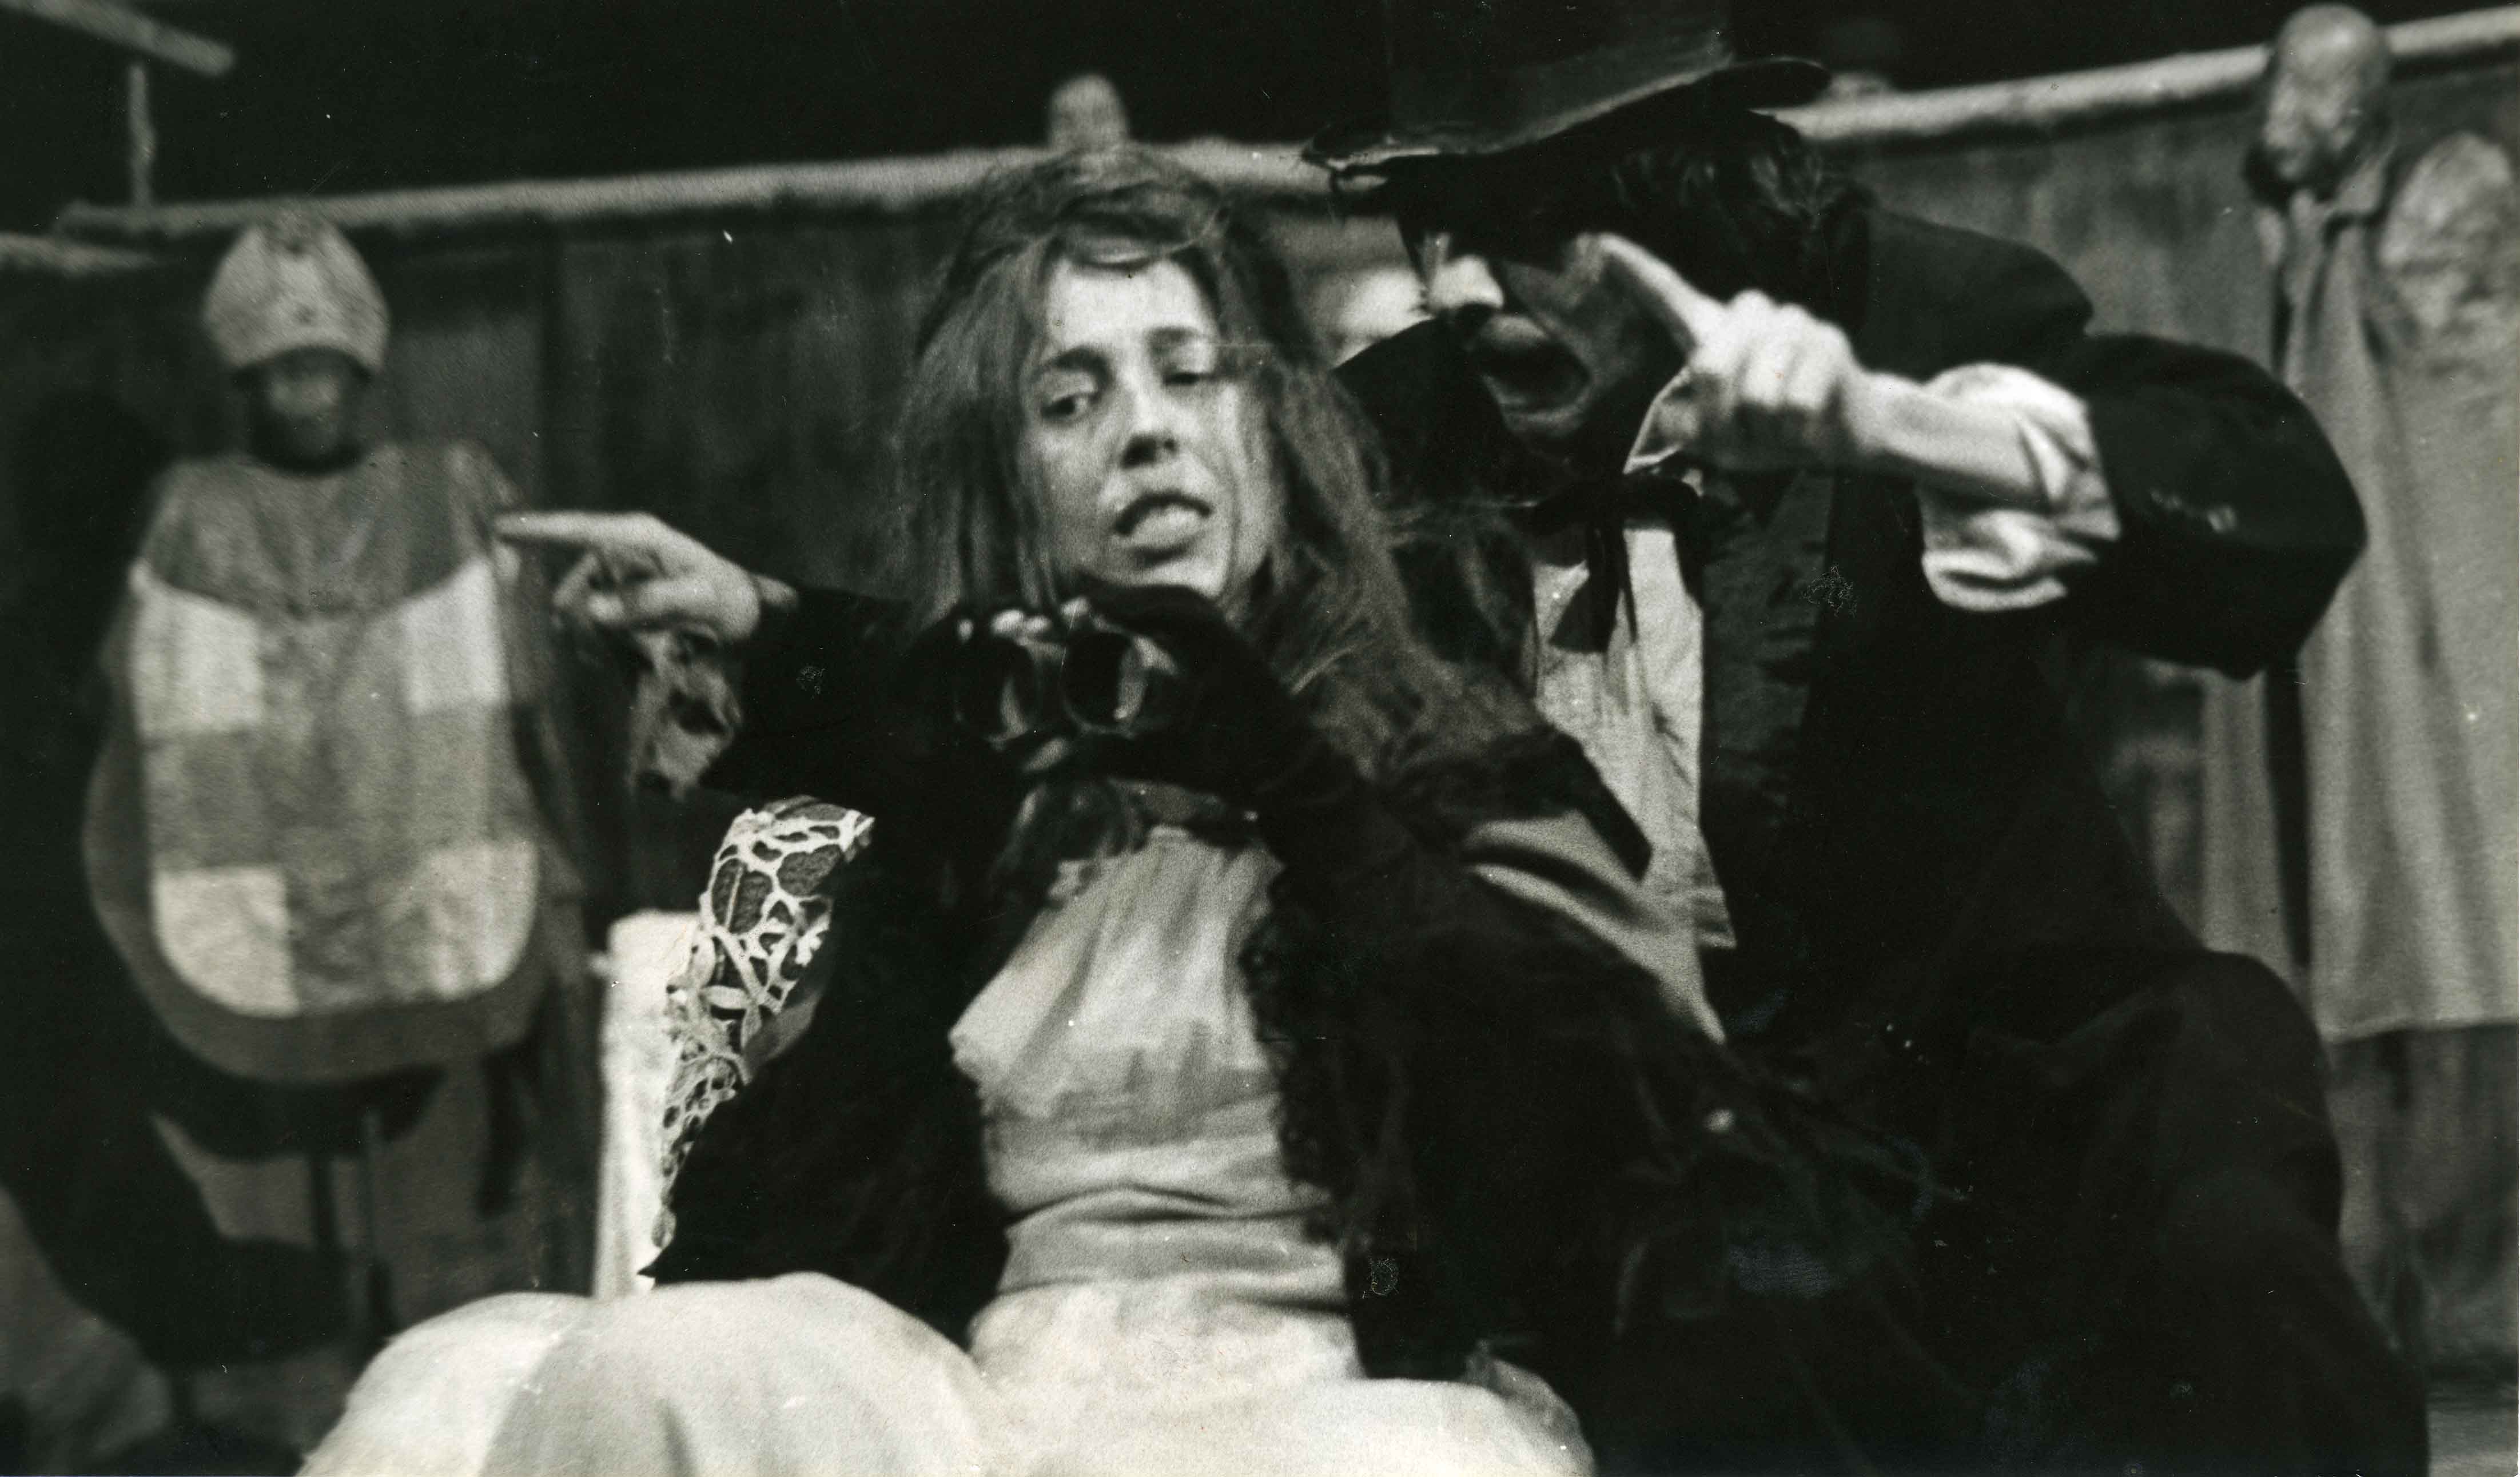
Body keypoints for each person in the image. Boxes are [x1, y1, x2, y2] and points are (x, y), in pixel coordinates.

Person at [497, 3, 2423, 1470]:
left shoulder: (1903, 310)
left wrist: (1899, 429)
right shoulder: (1401, 417)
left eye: (1525, 232)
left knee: (2219, 1227)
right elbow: (1122, 648)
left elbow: (2269, 508)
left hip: (1973, 1097)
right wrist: (777, 638)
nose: (1465, 290)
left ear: (1678, 195)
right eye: (1439, 232)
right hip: (1640, 1173)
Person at [312, 147, 1930, 1477]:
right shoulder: (990, 813)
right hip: (991, 1410)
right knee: (568, 1373)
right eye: (1070, 399)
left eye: (1187, 372)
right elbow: (793, 1225)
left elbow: (1604, 1144)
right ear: (1013, 483)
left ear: (1274, 426)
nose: (1146, 426)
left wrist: (1292, 775)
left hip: (1328, 1411)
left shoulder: (1438, 746)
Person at [78, 213, 596, 1454]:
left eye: (324, 368)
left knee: (473, 1229)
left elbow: (523, 692)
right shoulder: (191, 514)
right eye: (279, 371)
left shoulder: (446, 491)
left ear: (363, 368)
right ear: (244, 378)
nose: (304, 393)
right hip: (256, 907)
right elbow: (142, 701)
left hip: (441, 890)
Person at [2200, 2, 2517, 1379]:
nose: (2288, 114)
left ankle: (2466, 1299)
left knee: (2436, 918)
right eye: (2281, 84)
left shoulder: (2440, 206)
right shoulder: (2265, 244)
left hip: (2420, 654)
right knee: (2317, 930)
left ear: (2363, 109)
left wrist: (2341, 239)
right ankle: (2358, 1293)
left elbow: (2457, 407)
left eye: (2319, 90)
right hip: (2309, 658)